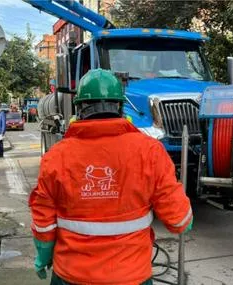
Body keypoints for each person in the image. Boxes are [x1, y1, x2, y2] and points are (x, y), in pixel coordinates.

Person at [29, 69, 193, 285]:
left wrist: (43, 257)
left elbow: (43, 223)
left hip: (72, 275)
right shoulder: (150, 152)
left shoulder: (56, 157)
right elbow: (179, 220)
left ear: (78, 110)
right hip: (132, 276)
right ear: (120, 107)